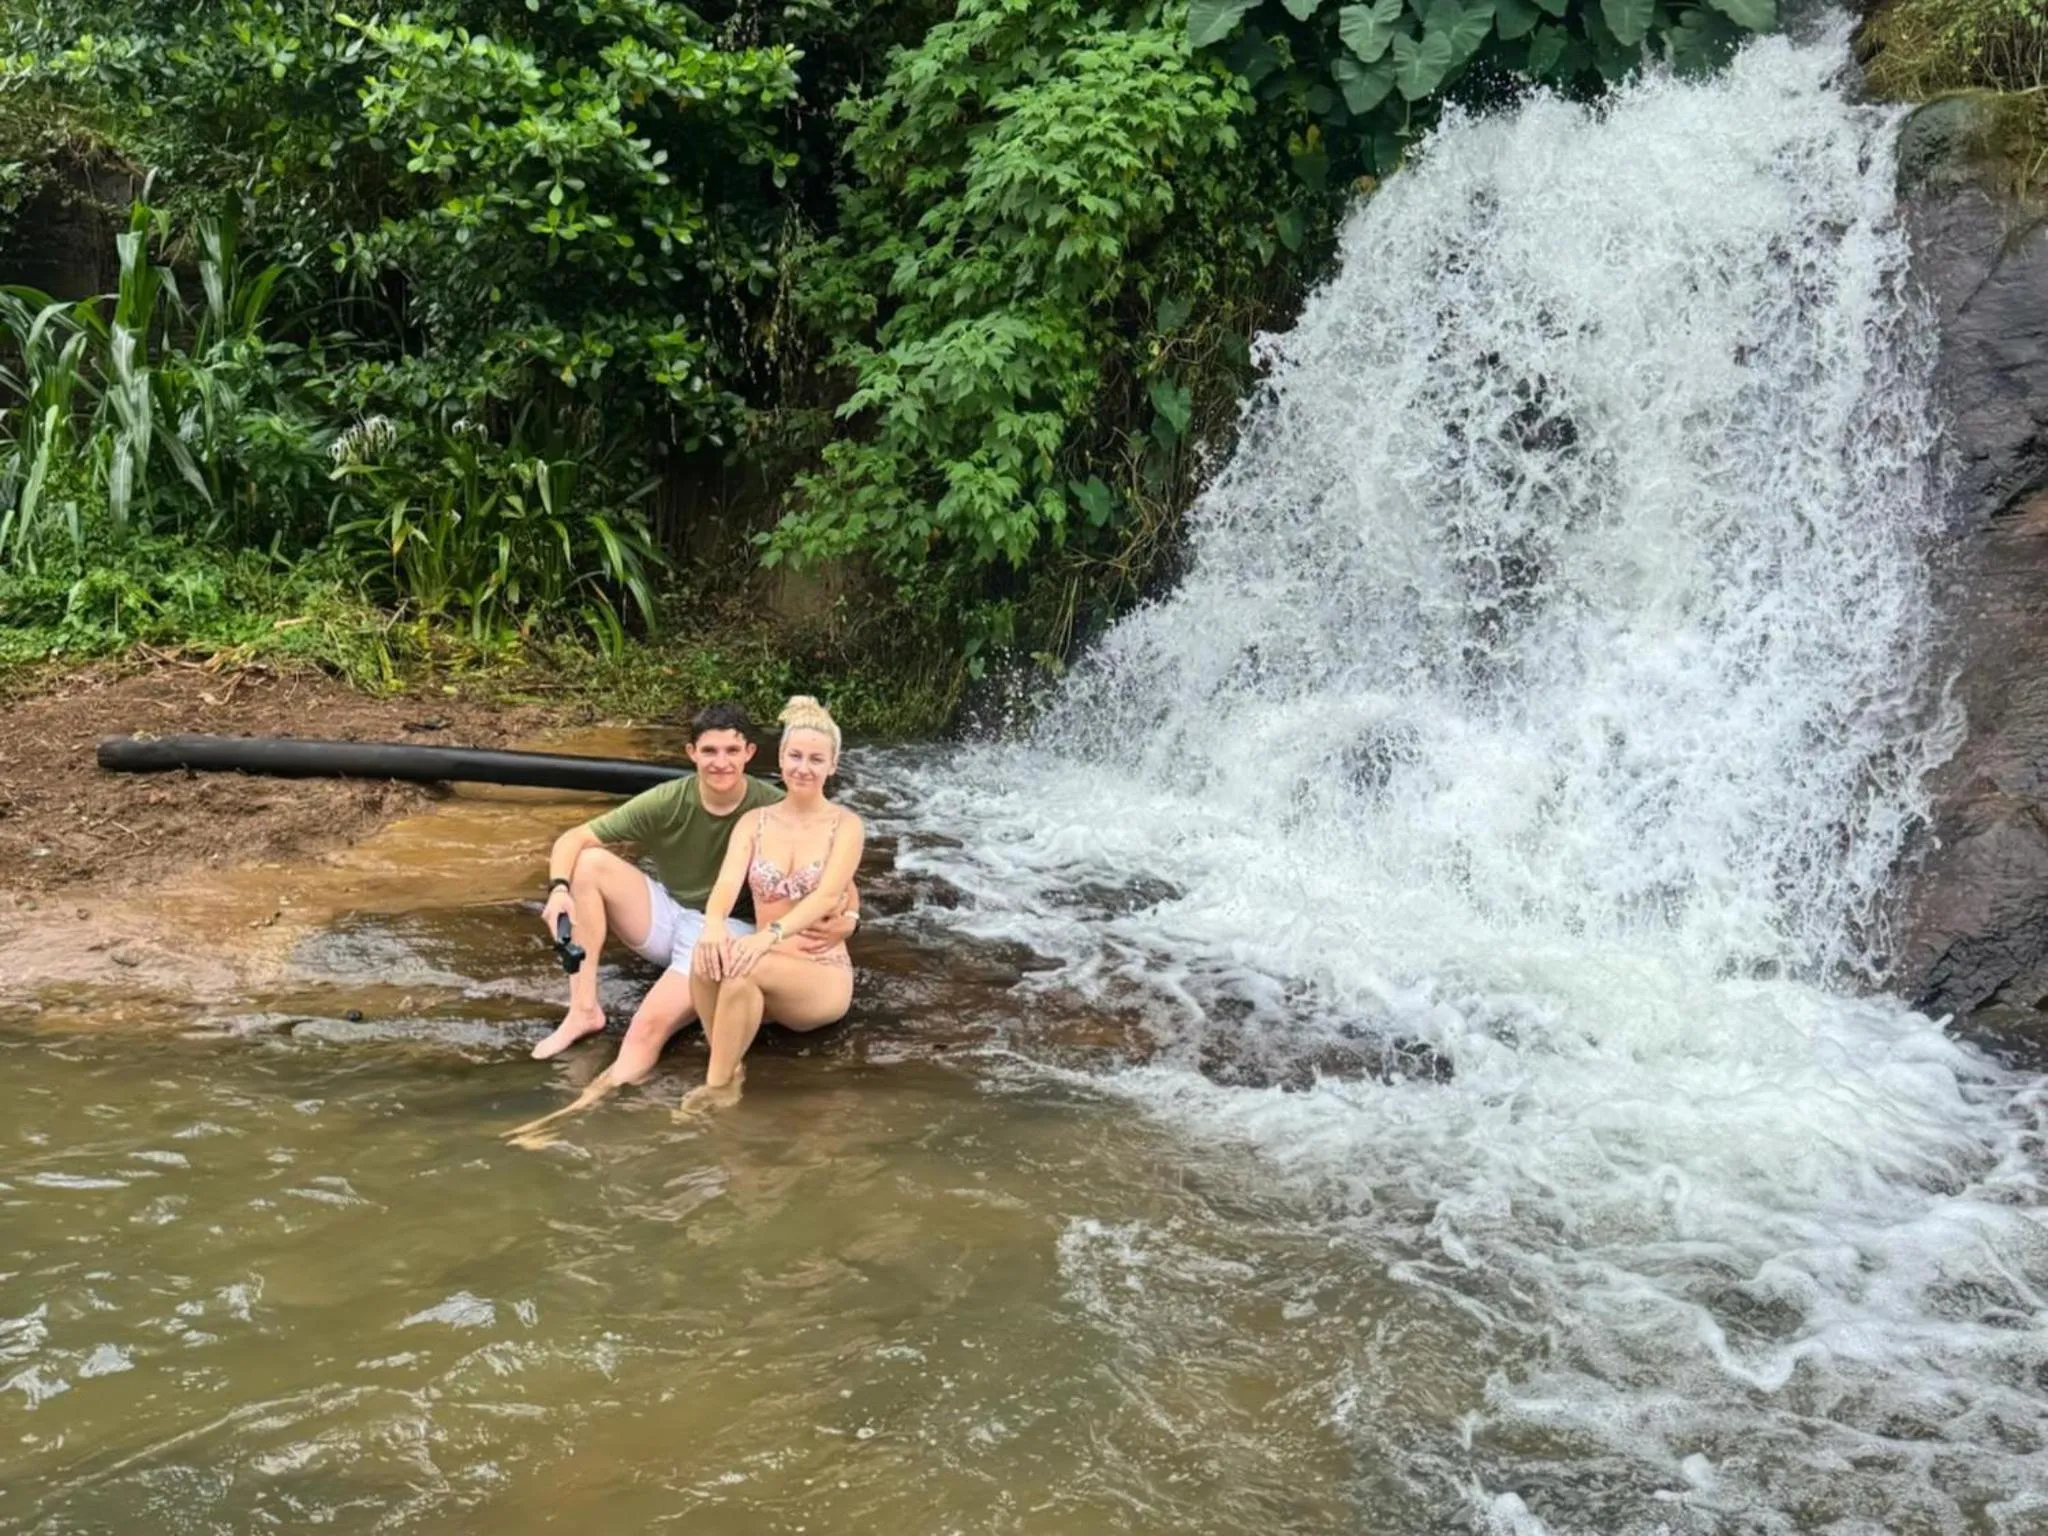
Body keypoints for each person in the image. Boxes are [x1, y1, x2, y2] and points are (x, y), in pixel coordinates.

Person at [528, 701, 858, 1081]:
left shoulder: (776, 803)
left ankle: (607, 1099)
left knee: (645, 1028)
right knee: (587, 863)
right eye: (709, 751)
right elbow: (573, 838)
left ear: (750, 753)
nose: (721, 762)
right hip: (680, 917)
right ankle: (583, 1009)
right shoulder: (672, 801)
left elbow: (839, 883)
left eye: (732, 750)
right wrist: (558, 889)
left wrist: (851, 919)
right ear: (692, 753)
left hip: (737, 933)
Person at [685, 695, 865, 1109]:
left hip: (818, 972)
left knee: (745, 967)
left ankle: (716, 1088)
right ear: (781, 758)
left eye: (816, 759)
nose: (804, 768)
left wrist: (771, 935)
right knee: (705, 958)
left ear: (832, 765)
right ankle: (729, 1064)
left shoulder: (847, 825)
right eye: (795, 756)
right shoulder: (755, 822)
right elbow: (727, 882)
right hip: (765, 962)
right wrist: (714, 925)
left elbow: (827, 894)